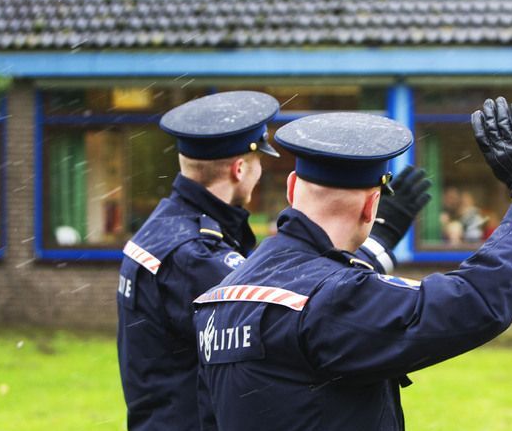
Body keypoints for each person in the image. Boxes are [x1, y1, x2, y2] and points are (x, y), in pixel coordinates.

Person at [192, 98, 512, 431]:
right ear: (371, 206)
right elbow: (476, 301)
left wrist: (379, 243)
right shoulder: (330, 299)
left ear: (292, 189)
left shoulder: (220, 297)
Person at [117, 92, 430, 431]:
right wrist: (377, 242)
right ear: (239, 169)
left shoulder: (166, 228)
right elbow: (288, 302)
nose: (260, 171)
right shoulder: (195, 253)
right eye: (257, 162)